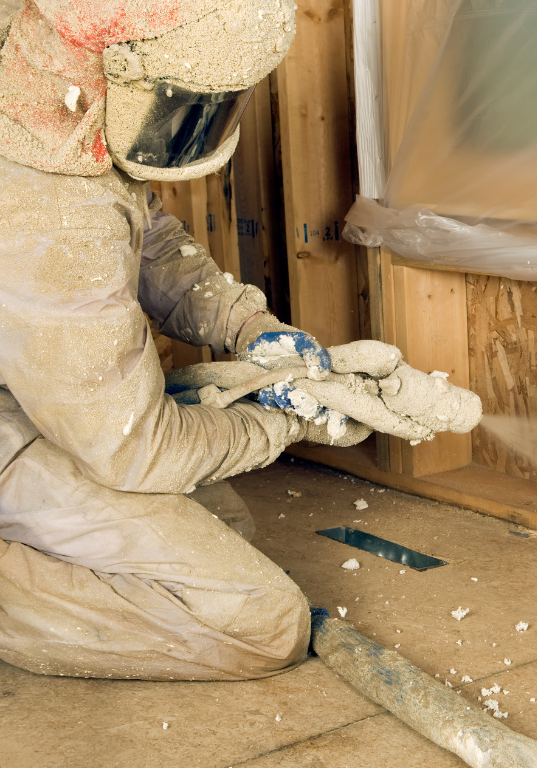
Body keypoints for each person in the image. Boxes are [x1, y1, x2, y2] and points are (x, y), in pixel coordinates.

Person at [0, 0, 368, 681]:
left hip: (28, 398)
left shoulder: (58, 108)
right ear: (122, 72)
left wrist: (250, 327)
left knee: (227, 521)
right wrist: (283, 422)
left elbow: (146, 244)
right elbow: (136, 453)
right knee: (264, 624)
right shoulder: (42, 203)